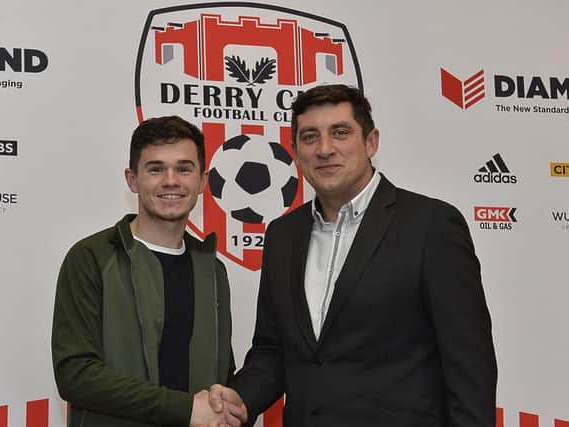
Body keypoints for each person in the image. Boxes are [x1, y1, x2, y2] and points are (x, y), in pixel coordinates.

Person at [210, 84, 497, 426]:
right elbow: (273, 351)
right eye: (310, 137)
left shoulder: (430, 226)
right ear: (295, 151)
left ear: (371, 142)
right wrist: (237, 402)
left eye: (341, 132)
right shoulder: (282, 236)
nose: (325, 149)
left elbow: (469, 363)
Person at [51, 116, 247, 427]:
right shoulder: (91, 257)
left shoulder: (212, 269)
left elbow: (222, 373)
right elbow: (75, 374)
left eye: (184, 169)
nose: (171, 181)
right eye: (155, 169)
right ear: (132, 179)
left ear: (202, 181)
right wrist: (184, 409)